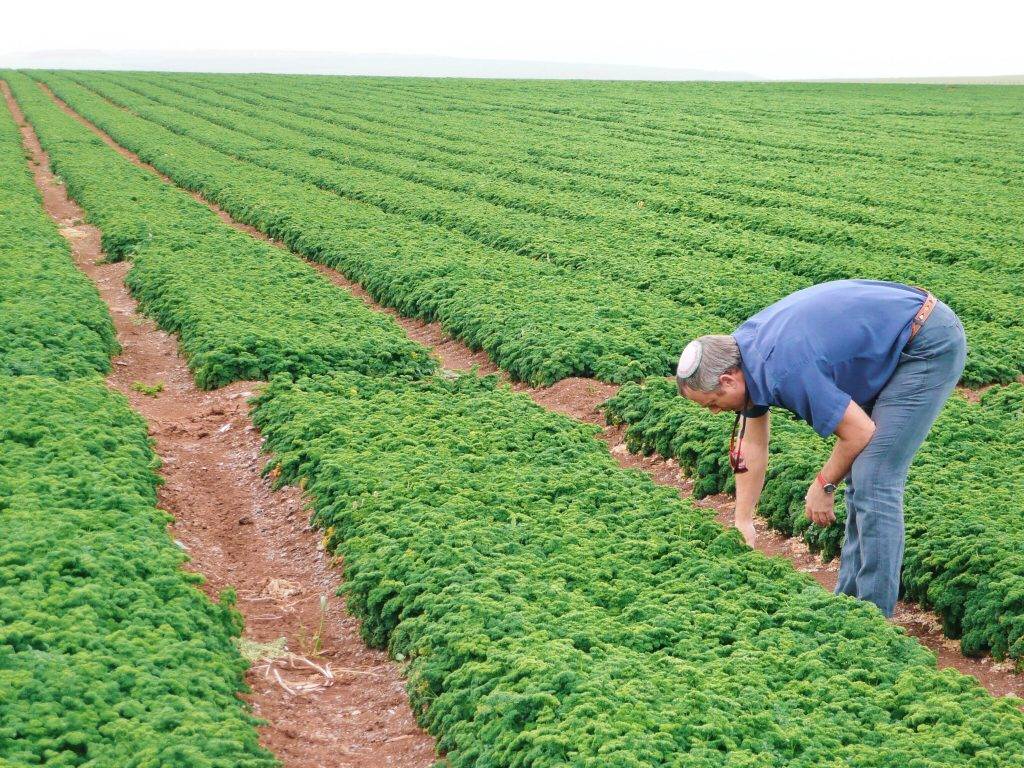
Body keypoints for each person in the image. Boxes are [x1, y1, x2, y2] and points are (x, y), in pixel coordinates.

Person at [675, 279, 966, 617]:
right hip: (889, 335)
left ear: (728, 381)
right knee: (860, 474)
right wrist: (743, 521)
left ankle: (872, 621)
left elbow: (858, 432)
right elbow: (752, 442)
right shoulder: (742, 355)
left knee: (874, 476)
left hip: (923, 341)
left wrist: (823, 484)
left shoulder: (785, 369)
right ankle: (849, 606)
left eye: (712, 403)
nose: (714, 412)